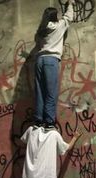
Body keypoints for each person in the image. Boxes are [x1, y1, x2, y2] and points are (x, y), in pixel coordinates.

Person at [33, 0, 75, 129]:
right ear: (54, 16)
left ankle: (38, 121)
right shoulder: (59, 25)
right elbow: (69, 17)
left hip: (39, 60)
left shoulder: (42, 30)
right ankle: (49, 122)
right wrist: (70, 4)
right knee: (51, 93)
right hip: (51, 61)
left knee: (40, 92)